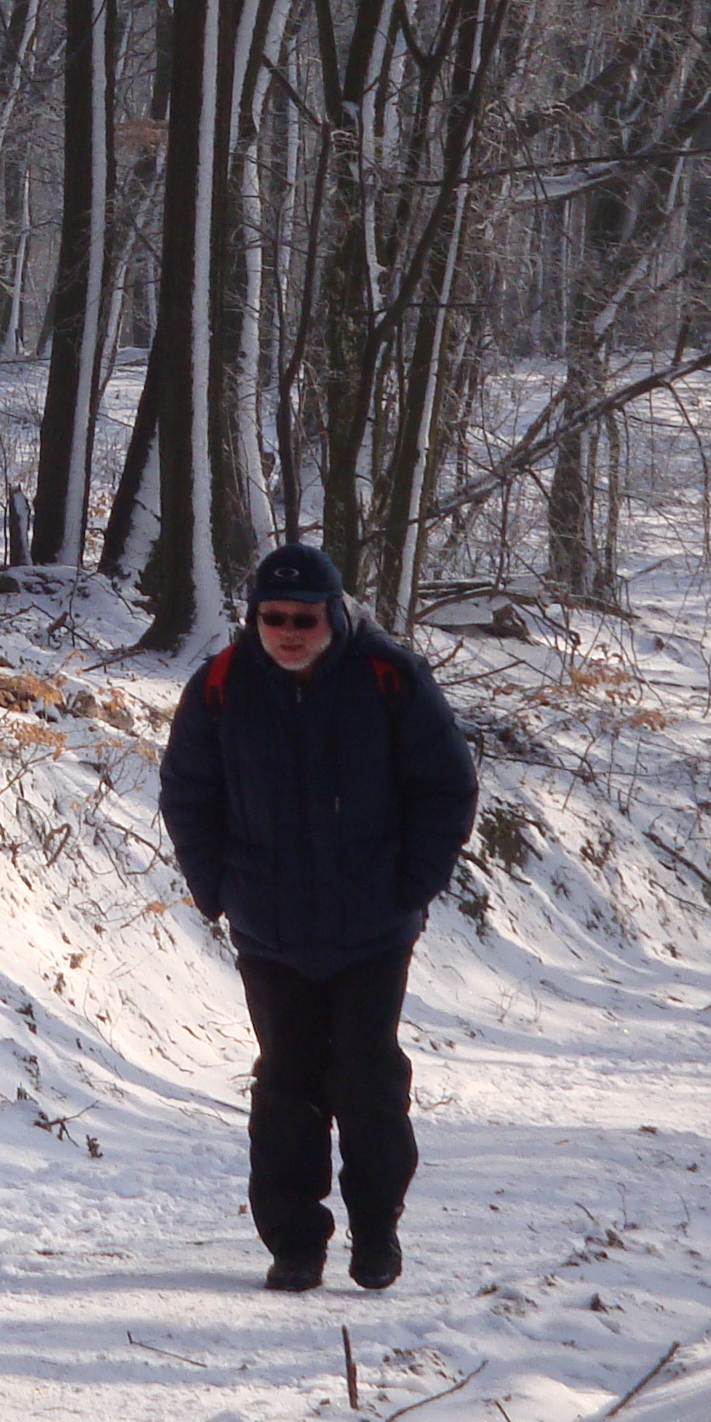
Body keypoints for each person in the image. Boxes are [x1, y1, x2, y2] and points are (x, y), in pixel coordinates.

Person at [159, 541, 479, 1293]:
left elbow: (447, 787)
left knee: (367, 1081)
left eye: (304, 618)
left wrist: (410, 887)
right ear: (254, 619)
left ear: (333, 614)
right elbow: (187, 793)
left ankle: (377, 1230)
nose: (288, 632)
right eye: (273, 617)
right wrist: (217, 890)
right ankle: (295, 1243)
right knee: (286, 1086)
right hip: (269, 933)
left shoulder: (389, 678)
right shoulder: (221, 685)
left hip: (373, 932)